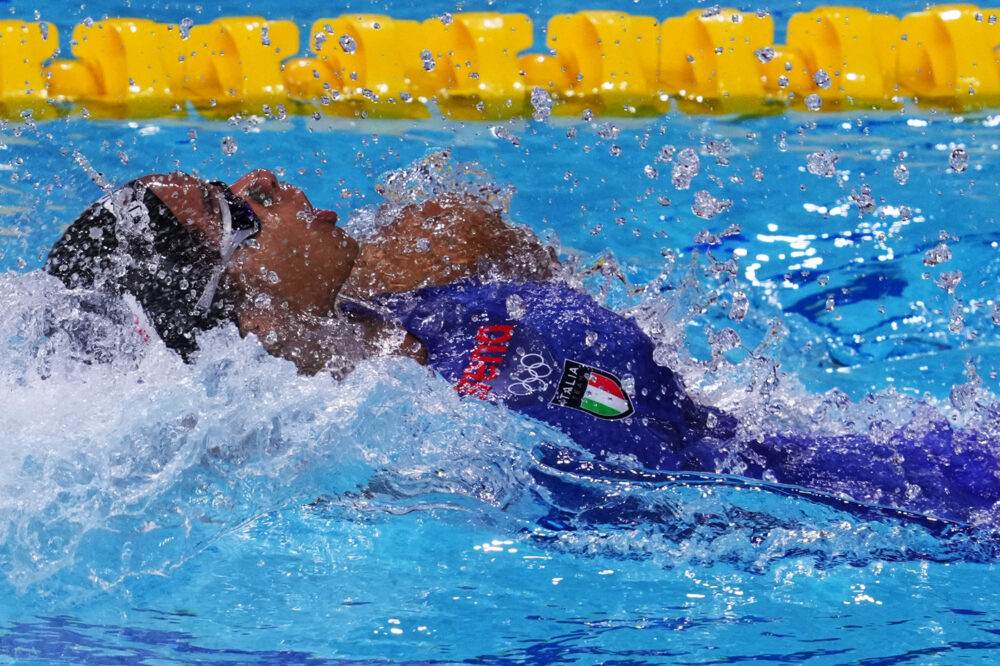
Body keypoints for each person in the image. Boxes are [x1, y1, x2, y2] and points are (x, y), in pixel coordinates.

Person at [44, 169, 1000, 526]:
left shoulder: (383, 307)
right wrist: (552, 377)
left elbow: (468, 222)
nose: (263, 179)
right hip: (861, 514)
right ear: (241, 316)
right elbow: (628, 422)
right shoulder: (416, 421)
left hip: (815, 450)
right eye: (240, 212)